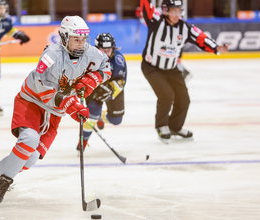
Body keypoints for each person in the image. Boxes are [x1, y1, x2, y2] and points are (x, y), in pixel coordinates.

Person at [0, 15, 111, 205]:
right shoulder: (51, 55)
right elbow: (43, 89)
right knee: (29, 139)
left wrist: (90, 81)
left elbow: (106, 68)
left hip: (54, 113)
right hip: (32, 101)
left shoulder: (91, 53)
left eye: (83, 40)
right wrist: (73, 106)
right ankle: (5, 182)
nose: (81, 44)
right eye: (75, 40)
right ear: (64, 37)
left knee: (30, 159)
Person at [139, 0, 228, 143]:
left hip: (171, 68)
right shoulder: (155, 20)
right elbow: (145, 5)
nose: (176, 14)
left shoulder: (185, 28)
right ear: (165, 10)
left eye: (179, 11)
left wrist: (216, 48)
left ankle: (175, 127)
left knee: (184, 99)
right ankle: (162, 126)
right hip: (151, 67)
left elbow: (201, 38)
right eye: (173, 10)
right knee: (166, 95)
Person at [77, 33, 127, 150]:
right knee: (92, 115)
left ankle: (101, 117)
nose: (105, 53)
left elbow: (121, 81)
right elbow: (79, 74)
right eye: (102, 50)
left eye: (108, 50)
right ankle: (84, 139)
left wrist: (110, 91)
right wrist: (80, 86)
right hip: (95, 88)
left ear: (113, 49)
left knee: (116, 120)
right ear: (96, 49)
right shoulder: (87, 57)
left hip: (112, 88)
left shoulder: (118, 60)